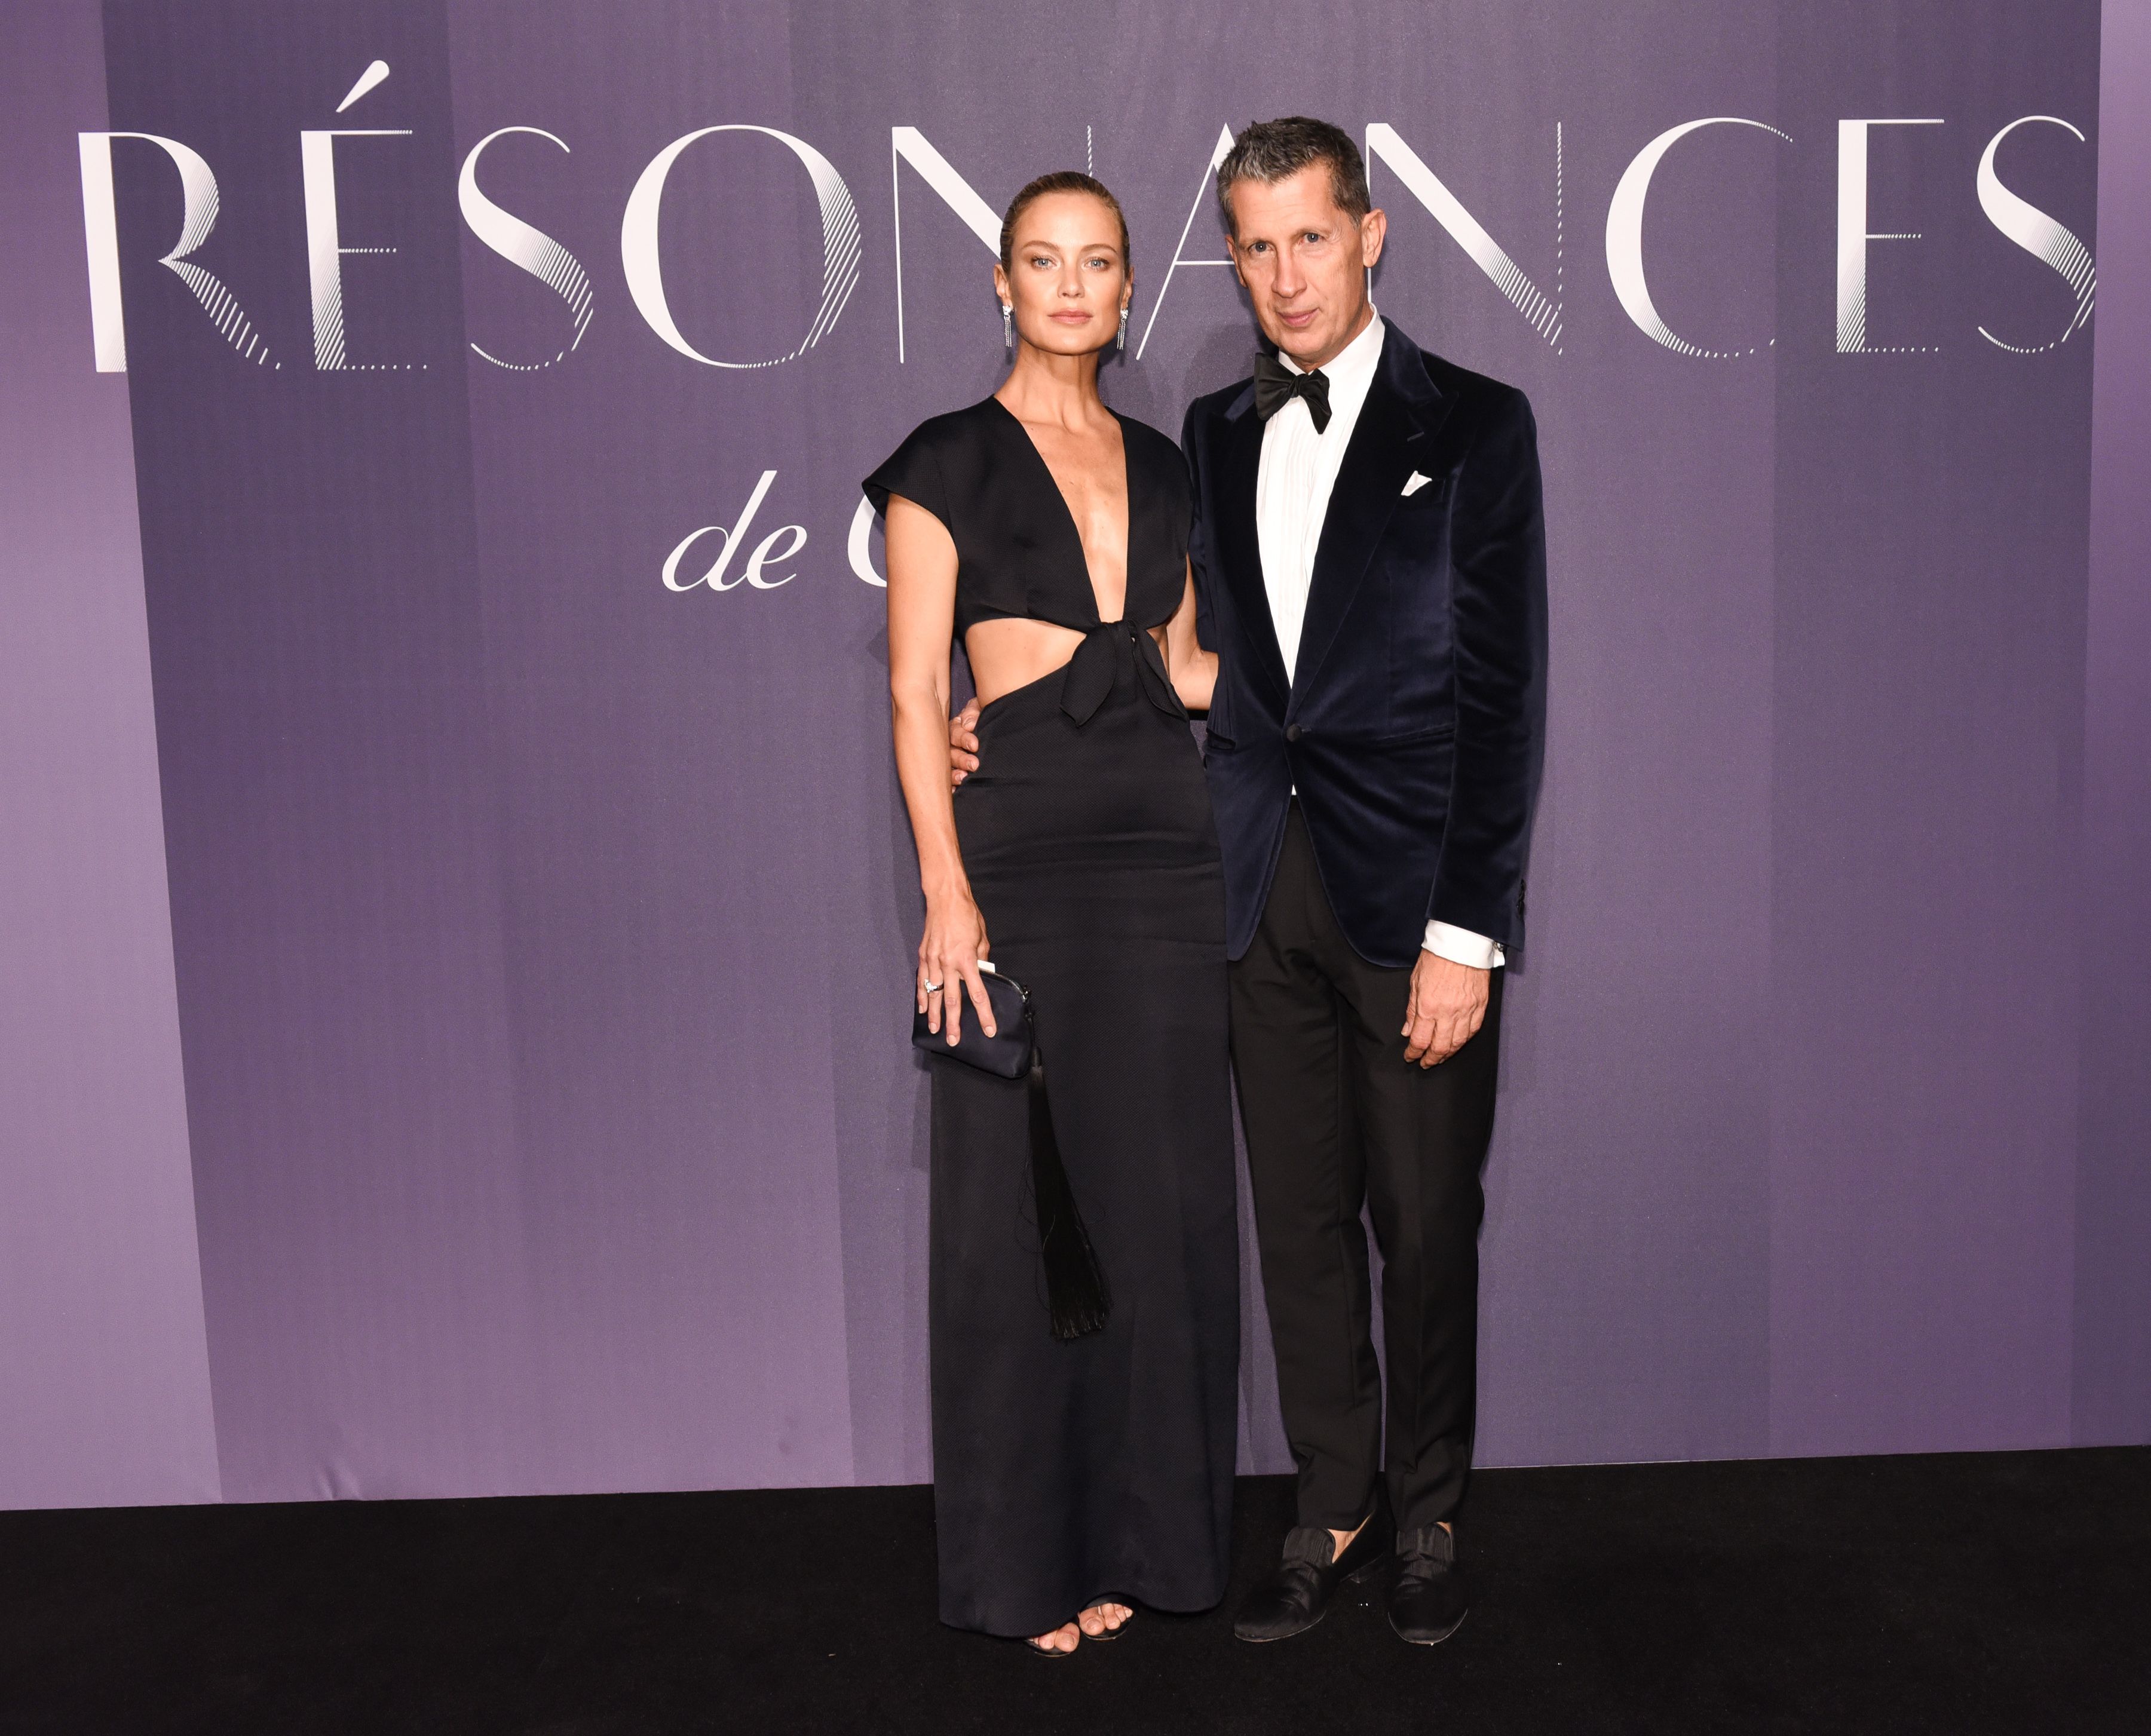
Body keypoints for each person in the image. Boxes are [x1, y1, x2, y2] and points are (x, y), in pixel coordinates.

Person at [951, 118, 1548, 1648]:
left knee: (1425, 1223)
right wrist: (1004, 714)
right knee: (1296, 1222)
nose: (1285, 276)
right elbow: (1170, 652)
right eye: (1256, 245)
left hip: (1410, 898)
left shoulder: (1480, 425)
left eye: (1311, 238)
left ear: (1371, 234)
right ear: (1230, 255)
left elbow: (1505, 700)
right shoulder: (1212, 434)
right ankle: (1332, 1503)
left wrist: (1468, 929)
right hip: (1248, 885)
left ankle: (1430, 1511)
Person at [869, 171, 1239, 1657]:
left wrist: (1358, 680)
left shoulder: (1165, 463)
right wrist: (945, 890)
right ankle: (1024, 1566)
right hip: (1018, 860)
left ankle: (1145, 1541)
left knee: (1159, 1208)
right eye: (1044, 259)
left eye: (1098, 261)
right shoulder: (942, 461)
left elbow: (1190, 668)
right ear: (1002, 283)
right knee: (1017, 1208)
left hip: (1166, 857)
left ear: (1130, 286)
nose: (1072, 284)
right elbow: (915, 693)